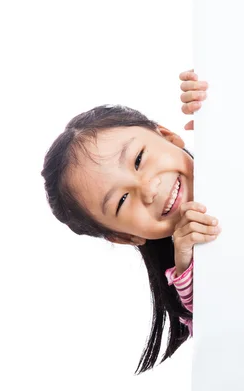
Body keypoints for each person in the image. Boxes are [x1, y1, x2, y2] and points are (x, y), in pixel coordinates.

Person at [41, 70, 216, 374]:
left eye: (138, 160)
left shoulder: (227, 138)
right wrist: (187, 260)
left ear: (168, 136)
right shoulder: (188, 279)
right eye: (122, 201)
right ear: (125, 237)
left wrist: (222, 103)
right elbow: (221, 324)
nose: (148, 189)